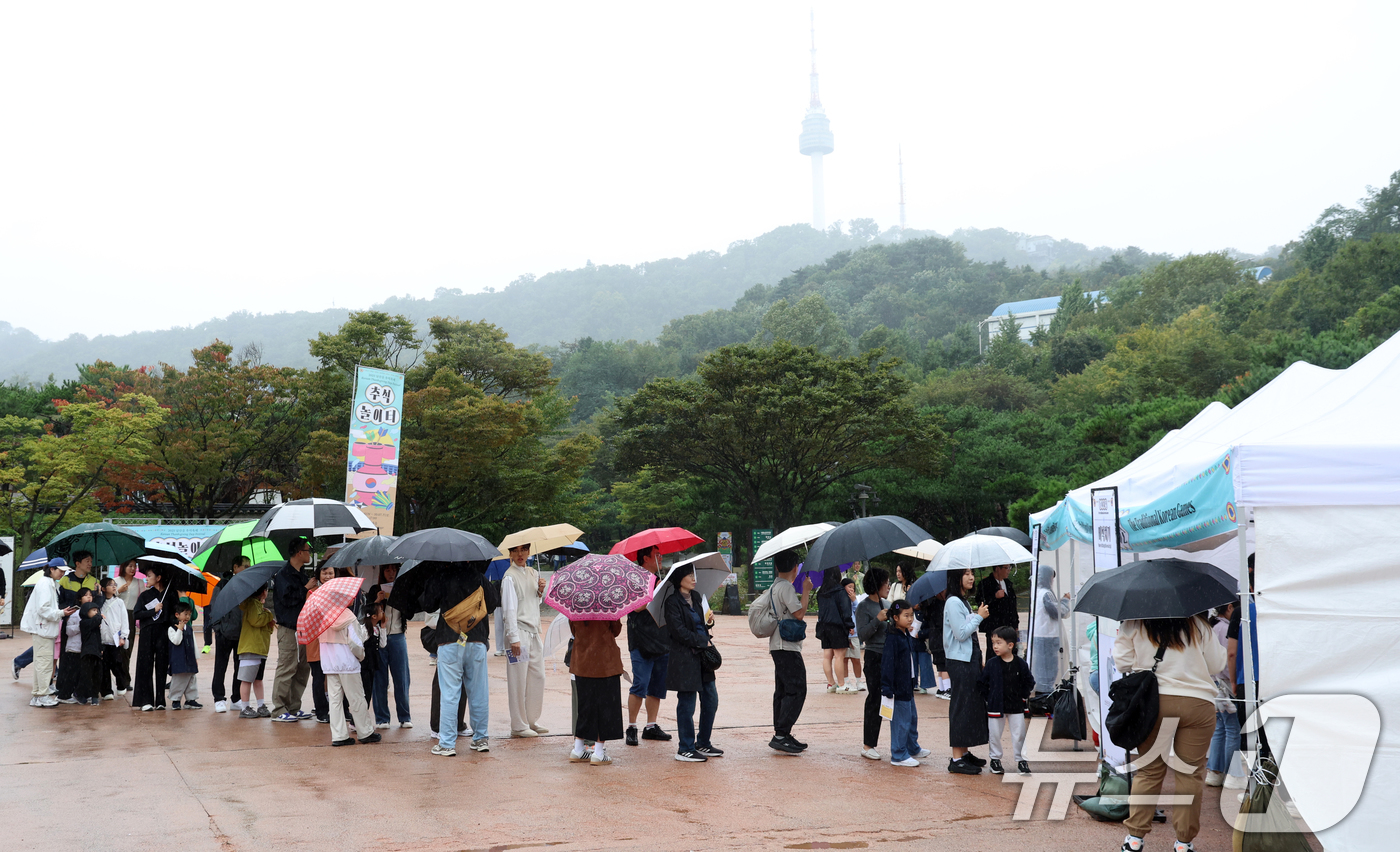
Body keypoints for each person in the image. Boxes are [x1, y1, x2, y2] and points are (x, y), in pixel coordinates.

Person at [1114, 614, 1225, 852]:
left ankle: (1134, 840)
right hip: (1197, 703)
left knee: (1149, 772)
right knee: (1190, 774)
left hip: (1154, 703)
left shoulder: (1135, 621)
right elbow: (1217, 665)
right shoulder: (1198, 624)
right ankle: (1184, 843)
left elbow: (1122, 662)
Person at [420, 560, 500, 757]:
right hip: (477, 639)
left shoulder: (442, 575)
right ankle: (481, 738)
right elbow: (493, 603)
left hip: (449, 639)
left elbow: (427, 604)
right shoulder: (478, 576)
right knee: (478, 691)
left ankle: (447, 743)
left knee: (449, 693)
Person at [662, 565, 722, 762]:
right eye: (689, 575)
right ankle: (685, 748)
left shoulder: (697, 597)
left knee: (711, 699)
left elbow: (702, 624)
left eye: (693, 574)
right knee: (687, 704)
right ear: (680, 578)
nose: (693, 578)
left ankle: (703, 742)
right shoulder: (672, 603)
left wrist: (710, 622)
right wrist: (701, 641)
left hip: (703, 658)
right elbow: (677, 632)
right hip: (684, 659)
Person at [625, 545, 673, 746]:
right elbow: (636, 608)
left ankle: (651, 726)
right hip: (641, 640)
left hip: (661, 637)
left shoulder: (661, 580)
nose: (661, 558)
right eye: (657, 555)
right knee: (640, 684)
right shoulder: (633, 579)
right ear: (645, 557)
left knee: (657, 685)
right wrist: (656, 591)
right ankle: (632, 726)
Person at [944, 567, 990, 774]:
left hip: (968, 659)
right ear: (956, 577)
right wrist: (979, 617)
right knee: (961, 705)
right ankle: (956, 758)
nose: (971, 577)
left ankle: (963, 752)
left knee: (969, 705)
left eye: (972, 573)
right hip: (959, 661)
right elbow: (961, 634)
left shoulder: (961, 600)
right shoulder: (953, 602)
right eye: (966, 574)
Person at [768, 549, 814, 754]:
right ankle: (782, 733)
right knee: (797, 689)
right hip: (787, 646)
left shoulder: (775, 586)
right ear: (796, 567)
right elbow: (799, 614)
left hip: (778, 644)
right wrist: (806, 591)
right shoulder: (786, 587)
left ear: (777, 566)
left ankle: (782, 733)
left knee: (783, 689)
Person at [501, 543, 549, 738]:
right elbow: (509, 609)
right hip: (518, 633)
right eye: (515, 550)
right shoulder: (509, 577)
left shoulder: (532, 573)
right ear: (510, 553)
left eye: (523, 550)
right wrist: (513, 638)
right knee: (518, 681)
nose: (520, 554)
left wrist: (539, 591)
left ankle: (531, 719)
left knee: (538, 676)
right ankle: (518, 725)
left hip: (534, 631)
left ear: (529, 552)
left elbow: (534, 602)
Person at [567, 614, 625, 766]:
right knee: (605, 707)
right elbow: (616, 630)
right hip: (605, 663)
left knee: (585, 707)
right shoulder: (607, 605)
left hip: (582, 662)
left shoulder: (576, 605)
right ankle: (598, 752)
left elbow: (574, 631)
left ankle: (578, 749)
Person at [318, 604, 379, 746]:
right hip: (347, 663)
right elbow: (355, 643)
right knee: (356, 697)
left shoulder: (323, 616)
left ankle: (339, 735)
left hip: (329, 663)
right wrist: (361, 656)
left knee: (335, 700)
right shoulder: (348, 616)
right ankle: (365, 732)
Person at [270, 538, 316, 723]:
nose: (309, 554)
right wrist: (305, 588)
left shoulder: (302, 575)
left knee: (302, 668)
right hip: (289, 629)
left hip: (305, 628)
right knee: (287, 667)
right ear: (299, 552)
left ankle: (294, 707)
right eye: (307, 550)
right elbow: (287, 601)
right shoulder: (283, 575)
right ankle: (279, 708)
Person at [881, 599, 931, 767]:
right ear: (895, 618)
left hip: (907, 684)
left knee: (911, 718)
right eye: (906, 615)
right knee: (900, 722)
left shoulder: (904, 635)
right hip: (897, 687)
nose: (910, 619)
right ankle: (898, 754)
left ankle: (912, 747)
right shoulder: (892, 638)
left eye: (911, 615)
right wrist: (887, 687)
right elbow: (887, 664)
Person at [980, 625, 1034, 775]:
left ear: (1010, 645)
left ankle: (1022, 760)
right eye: (993, 643)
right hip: (996, 706)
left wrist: (1022, 695)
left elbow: (1029, 681)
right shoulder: (991, 664)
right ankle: (995, 759)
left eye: (998, 642)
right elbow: (982, 683)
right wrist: (989, 698)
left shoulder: (1020, 663)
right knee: (995, 734)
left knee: (1019, 734)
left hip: (1016, 706)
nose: (995, 646)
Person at [20, 559, 68, 707]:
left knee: (43, 663)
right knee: (44, 664)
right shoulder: (45, 584)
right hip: (43, 629)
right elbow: (43, 609)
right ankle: (41, 695)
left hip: (44, 629)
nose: (63, 573)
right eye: (60, 570)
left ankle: (38, 694)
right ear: (52, 569)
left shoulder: (49, 583)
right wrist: (61, 613)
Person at [368, 563, 411, 730]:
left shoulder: (403, 588)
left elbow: (410, 612)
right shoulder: (374, 589)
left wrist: (400, 598)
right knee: (379, 677)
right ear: (382, 571)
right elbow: (368, 614)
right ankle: (382, 717)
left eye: (394, 569)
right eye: (387, 569)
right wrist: (378, 601)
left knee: (402, 677)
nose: (391, 573)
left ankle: (404, 716)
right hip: (379, 636)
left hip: (398, 635)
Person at [856, 568, 891, 759]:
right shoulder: (864, 607)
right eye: (886, 583)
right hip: (874, 656)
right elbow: (862, 635)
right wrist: (877, 620)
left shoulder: (887, 604)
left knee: (897, 699)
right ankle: (868, 745)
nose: (888, 586)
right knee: (875, 699)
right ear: (877, 585)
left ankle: (905, 743)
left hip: (891, 657)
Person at [1206, 603, 1241, 788]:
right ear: (1229, 608)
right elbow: (1230, 657)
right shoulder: (1226, 629)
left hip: (1213, 686)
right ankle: (1232, 774)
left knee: (1220, 729)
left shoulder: (1210, 628)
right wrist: (1234, 680)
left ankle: (1215, 771)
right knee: (1233, 730)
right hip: (1226, 685)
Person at [208, 557, 249, 713]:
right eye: (245, 566)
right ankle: (219, 698)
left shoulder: (248, 586)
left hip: (242, 633)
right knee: (221, 666)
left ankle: (236, 698)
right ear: (235, 567)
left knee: (240, 667)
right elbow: (214, 607)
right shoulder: (223, 584)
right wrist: (218, 628)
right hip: (224, 633)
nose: (248, 568)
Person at [132, 569, 173, 711]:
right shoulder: (144, 595)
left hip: (163, 634)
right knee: (145, 665)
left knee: (162, 665)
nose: (146, 579)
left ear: (159, 577)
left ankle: (160, 700)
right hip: (147, 633)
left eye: (149, 576)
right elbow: (136, 614)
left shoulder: (170, 595)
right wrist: (153, 611)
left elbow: (174, 616)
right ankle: (145, 700)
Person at [1030, 566, 1072, 694]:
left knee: (1040, 669)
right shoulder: (1046, 593)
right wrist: (1065, 601)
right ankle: (1045, 698)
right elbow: (1057, 612)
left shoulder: (1035, 592)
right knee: (1049, 670)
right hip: (1048, 636)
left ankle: (1040, 696)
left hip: (1038, 634)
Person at [236, 586, 275, 718]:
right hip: (250, 648)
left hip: (259, 649)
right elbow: (256, 621)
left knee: (258, 679)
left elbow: (265, 627)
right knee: (246, 679)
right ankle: (245, 707)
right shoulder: (253, 604)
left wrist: (268, 619)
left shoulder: (258, 606)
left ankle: (261, 705)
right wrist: (268, 615)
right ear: (263, 592)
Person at [306, 563, 336, 724]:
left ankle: (340, 708)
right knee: (318, 676)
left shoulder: (339, 594)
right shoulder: (312, 593)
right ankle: (321, 711)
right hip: (316, 641)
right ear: (318, 576)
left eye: (331, 573)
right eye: (324, 573)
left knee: (336, 676)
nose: (328, 576)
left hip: (334, 640)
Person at [817, 567, 855, 693]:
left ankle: (831, 683)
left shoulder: (821, 592)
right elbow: (845, 611)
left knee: (827, 656)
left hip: (824, 626)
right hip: (837, 626)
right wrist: (850, 625)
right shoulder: (840, 591)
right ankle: (842, 684)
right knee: (839, 656)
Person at [56, 588, 97, 704]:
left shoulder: (94, 612)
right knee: (72, 673)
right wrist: (82, 626)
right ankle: (63, 695)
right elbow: (68, 631)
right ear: (79, 598)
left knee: (83, 673)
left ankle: (81, 693)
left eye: (90, 595)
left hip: (85, 648)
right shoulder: (75, 613)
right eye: (85, 595)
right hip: (74, 648)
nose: (89, 597)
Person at [977, 564, 1018, 662]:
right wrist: (994, 597)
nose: (1008, 570)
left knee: (1010, 651)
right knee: (994, 652)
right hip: (994, 625)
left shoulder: (1008, 584)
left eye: (1009, 568)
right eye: (1006, 568)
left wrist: (1016, 624)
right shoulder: (985, 584)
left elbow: (1013, 606)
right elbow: (980, 602)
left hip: (1008, 624)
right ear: (997, 569)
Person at [98, 577, 130, 700]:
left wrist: (124, 636)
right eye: (110, 585)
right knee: (103, 666)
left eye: (114, 584)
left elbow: (124, 620)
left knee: (117, 664)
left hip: (115, 639)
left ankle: (121, 685)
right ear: (103, 588)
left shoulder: (119, 602)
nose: (114, 586)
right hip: (103, 639)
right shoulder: (99, 603)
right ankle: (106, 691)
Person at [167, 602, 202, 710]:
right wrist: (180, 630)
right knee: (178, 680)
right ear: (177, 615)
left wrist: (196, 657)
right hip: (179, 659)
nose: (187, 617)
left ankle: (190, 700)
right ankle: (176, 699)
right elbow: (176, 641)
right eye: (185, 614)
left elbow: (193, 643)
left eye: (189, 614)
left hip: (190, 658)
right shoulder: (172, 628)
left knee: (192, 679)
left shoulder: (190, 629)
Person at [115, 559, 145, 685]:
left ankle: (125, 680)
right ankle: (121, 679)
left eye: (134, 566)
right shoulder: (116, 581)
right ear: (124, 566)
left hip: (131, 616)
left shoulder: (139, 583)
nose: (133, 569)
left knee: (128, 648)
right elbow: (108, 598)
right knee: (117, 649)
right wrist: (118, 591)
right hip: (117, 617)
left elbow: (144, 599)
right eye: (130, 566)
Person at [843, 577, 864, 690]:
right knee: (844, 659)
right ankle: (846, 680)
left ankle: (859, 681)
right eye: (849, 587)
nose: (851, 589)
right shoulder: (841, 599)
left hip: (854, 634)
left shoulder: (854, 600)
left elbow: (858, 611)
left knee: (856, 658)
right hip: (844, 633)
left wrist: (854, 600)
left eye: (853, 588)